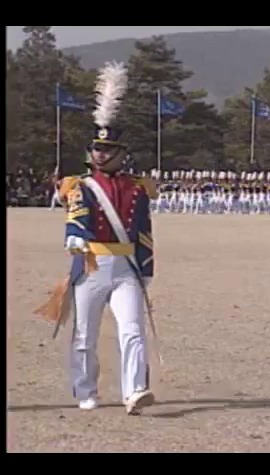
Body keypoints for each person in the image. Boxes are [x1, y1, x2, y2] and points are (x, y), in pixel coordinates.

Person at [35, 61, 158, 415]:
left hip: (126, 267)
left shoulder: (137, 188)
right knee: (84, 336)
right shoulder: (81, 185)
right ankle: (86, 390)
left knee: (133, 330)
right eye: (97, 149)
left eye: (108, 149)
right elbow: (77, 215)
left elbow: (143, 231)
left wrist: (145, 267)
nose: (101, 154)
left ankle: (135, 390)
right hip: (90, 263)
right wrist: (73, 237)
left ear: (122, 153)